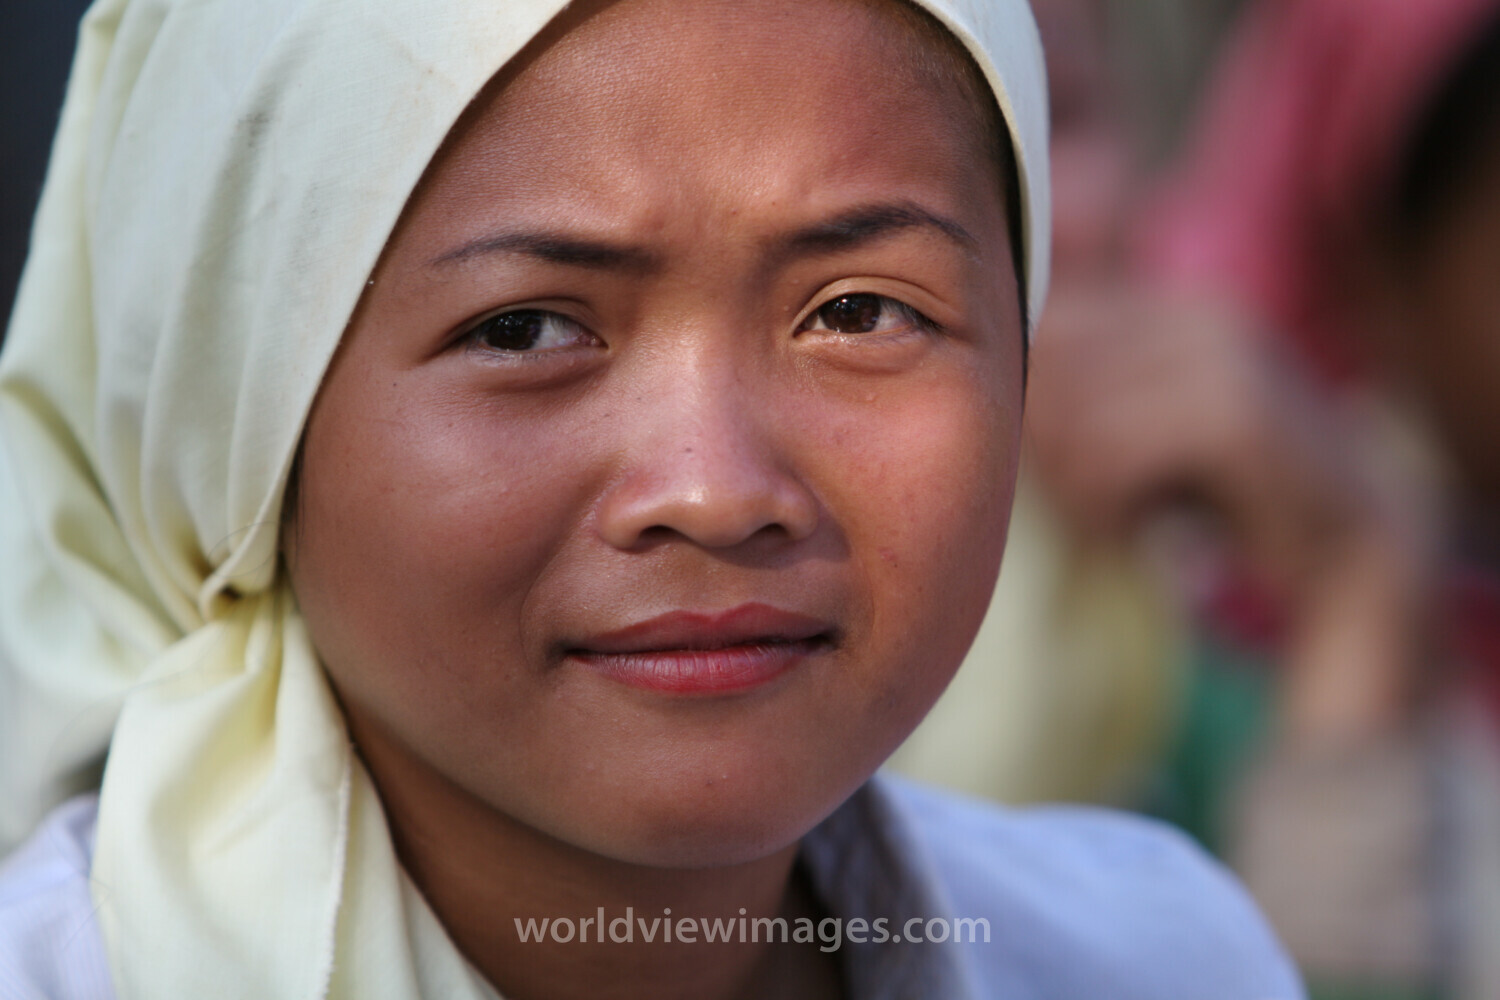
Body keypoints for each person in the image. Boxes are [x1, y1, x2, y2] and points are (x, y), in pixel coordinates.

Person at [0, 0, 1304, 997]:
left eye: (860, 311)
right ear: (230, 426)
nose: (715, 489)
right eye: (523, 329)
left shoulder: (1162, 958)